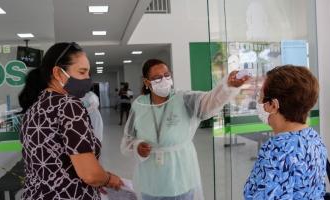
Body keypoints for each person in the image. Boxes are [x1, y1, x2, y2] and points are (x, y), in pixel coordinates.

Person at [121, 59, 249, 200]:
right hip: (151, 180)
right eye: (157, 78)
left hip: (180, 176)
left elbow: (210, 101)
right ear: (146, 82)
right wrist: (137, 146)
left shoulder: (183, 99)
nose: (164, 80)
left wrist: (228, 87)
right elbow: (128, 139)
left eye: (167, 75)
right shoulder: (139, 106)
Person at [19, 42, 123, 200]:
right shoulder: (68, 105)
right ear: (58, 73)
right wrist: (108, 179)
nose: (88, 79)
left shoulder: (34, 107)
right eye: (82, 72)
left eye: (88, 73)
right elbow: (90, 175)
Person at [244, 65, 327, 199]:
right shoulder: (314, 138)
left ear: (274, 105)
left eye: (261, 96)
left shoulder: (276, 150)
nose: (258, 101)